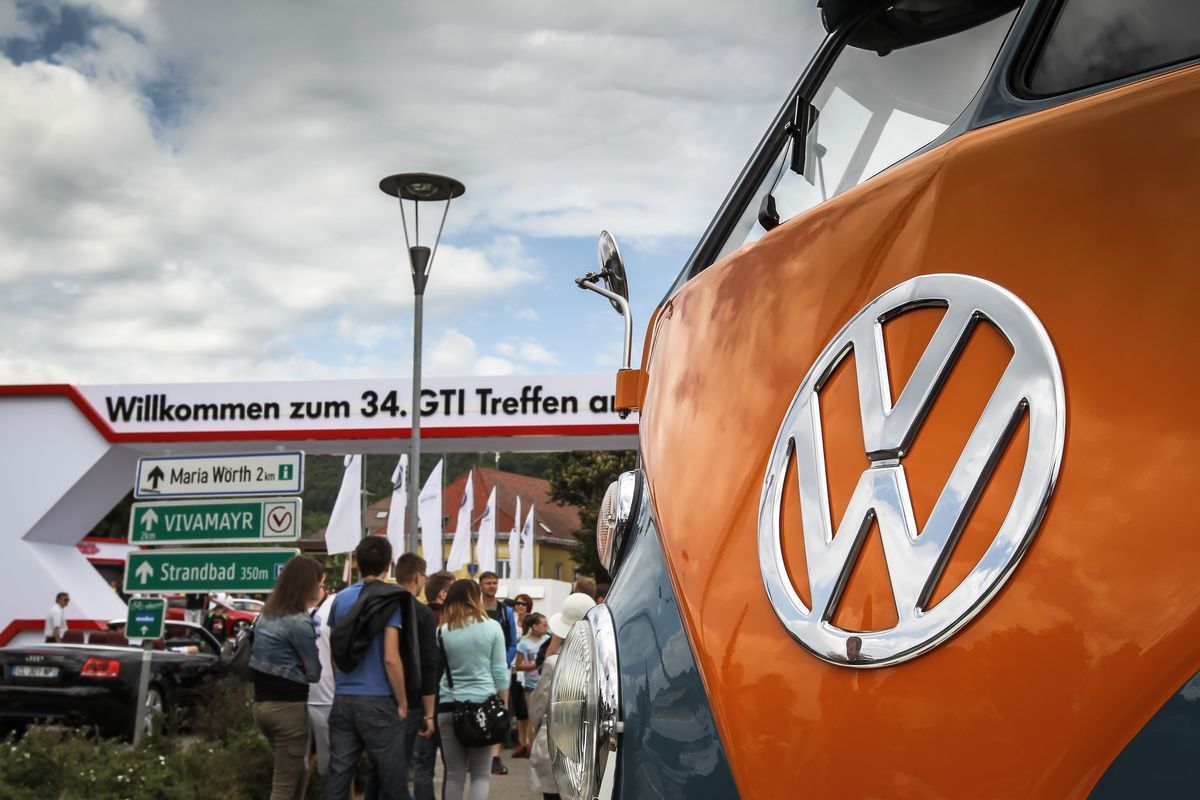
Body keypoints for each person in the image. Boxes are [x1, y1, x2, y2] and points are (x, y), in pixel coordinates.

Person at [325, 536, 418, 800]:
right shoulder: (389, 599)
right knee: (393, 780)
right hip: (378, 699)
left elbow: (335, 649)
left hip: (344, 697)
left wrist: (341, 685)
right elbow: (391, 657)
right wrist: (402, 702)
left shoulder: (340, 599)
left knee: (338, 776)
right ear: (388, 565)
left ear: (358, 564)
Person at [249, 555, 326, 800]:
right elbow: (314, 673)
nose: (321, 588)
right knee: (283, 787)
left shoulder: (266, 614)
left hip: (262, 706)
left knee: (296, 773)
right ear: (307, 585)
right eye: (319, 583)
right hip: (288, 710)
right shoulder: (300, 622)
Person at [438, 579, 510, 800]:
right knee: (480, 775)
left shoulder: (442, 631)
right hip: (483, 706)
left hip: (449, 704)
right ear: (475, 597)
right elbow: (500, 671)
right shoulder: (492, 627)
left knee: (454, 775)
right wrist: (504, 704)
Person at [529, 593, 596, 800]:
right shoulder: (601, 661)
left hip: (556, 742)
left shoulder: (553, 663)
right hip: (591, 747)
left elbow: (539, 704)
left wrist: (536, 726)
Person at [392, 553, 438, 800]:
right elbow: (429, 663)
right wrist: (429, 713)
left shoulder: (381, 605)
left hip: (378, 695)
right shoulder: (423, 613)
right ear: (418, 577)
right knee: (403, 767)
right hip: (411, 698)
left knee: (382, 768)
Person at [412, 568, 454, 799]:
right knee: (452, 767)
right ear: (443, 594)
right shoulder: (453, 622)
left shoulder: (415, 616)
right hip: (446, 698)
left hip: (419, 696)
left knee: (423, 765)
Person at [477, 571, 517, 775]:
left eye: (494, 583)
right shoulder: (475, 608)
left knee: (499, 711)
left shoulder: (505, 611)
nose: (492, 586)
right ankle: (478, 755)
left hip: (500, 668)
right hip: (478, 668)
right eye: (488, 583)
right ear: (480, 586)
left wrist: (503, 662)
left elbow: (512, 642)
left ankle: (494, 757)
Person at [306, 588, 337, 788]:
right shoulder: (292, 606)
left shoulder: (335, 604)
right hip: (299, 697)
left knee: (337, 764)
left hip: (328, 696)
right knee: (299, 766)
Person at [512, 612, 548, 758]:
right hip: (531, 685)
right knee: (532, 717)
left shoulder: (548, 640)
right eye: (544, 625)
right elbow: (518, 665)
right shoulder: (523, 644)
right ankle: (532, 749)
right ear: (534, 626)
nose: (547, 628)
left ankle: (544, 749)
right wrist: (536, 665)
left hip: (546, 683)